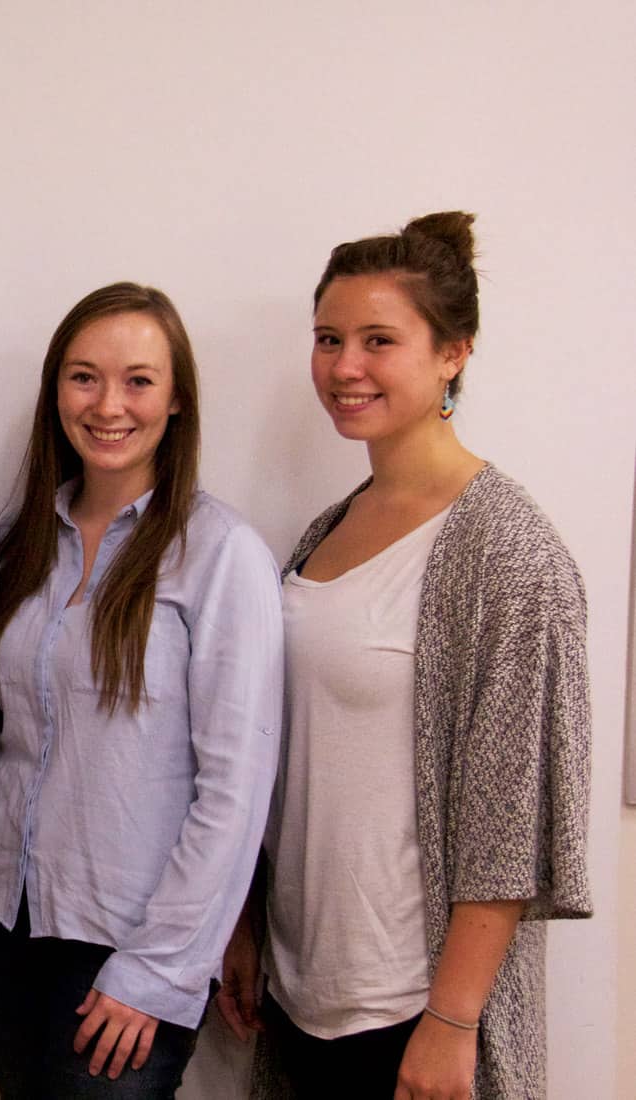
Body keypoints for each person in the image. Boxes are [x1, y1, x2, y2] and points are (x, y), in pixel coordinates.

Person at [216, 212, 593, 1100]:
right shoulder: (328, 529)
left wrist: (453, 1021)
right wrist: (248, 924)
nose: (344, 367)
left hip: (412, 1011)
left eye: (378, 341)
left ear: (454, 353)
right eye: (328, 339)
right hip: (304, 993)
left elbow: (514, 818)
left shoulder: (508, 553)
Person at [0, 283, 283, 1099]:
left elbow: (235, 790)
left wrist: (158, 971)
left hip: (129, 951)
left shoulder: (220, 554)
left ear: (177, 400)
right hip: (4, 928)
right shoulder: (20, 546)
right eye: (84, 377)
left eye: (138, 381)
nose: (107, 405)